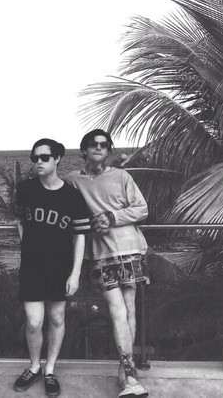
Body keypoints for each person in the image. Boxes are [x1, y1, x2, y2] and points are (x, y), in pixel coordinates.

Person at [66, 129, 149, 398]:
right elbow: (65, 208)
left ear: (109, 149)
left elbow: (142, 208)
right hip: (100, 253)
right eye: (93, 144)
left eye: (104, 145)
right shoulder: (73, 181)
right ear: (84, 150)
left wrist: (112, 217)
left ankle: (127, 373)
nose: (99, 148)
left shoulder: (122, 176)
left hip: (130, 248)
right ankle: (129, 376)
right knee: (117, 310)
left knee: (129, 310)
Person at [13, 138, 90, 398]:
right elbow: (19, 219)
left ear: (57, 159)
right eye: (34, 158)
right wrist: (26, 245)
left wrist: (75, 273)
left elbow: (80, 236)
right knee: (34, 322)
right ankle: (34, 366)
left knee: (57, 318)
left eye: (44, 157)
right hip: (32, 267)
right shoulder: (25, 189)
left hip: (60, 267)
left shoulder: (72, 196)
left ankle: (50, 370)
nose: (38, 162)